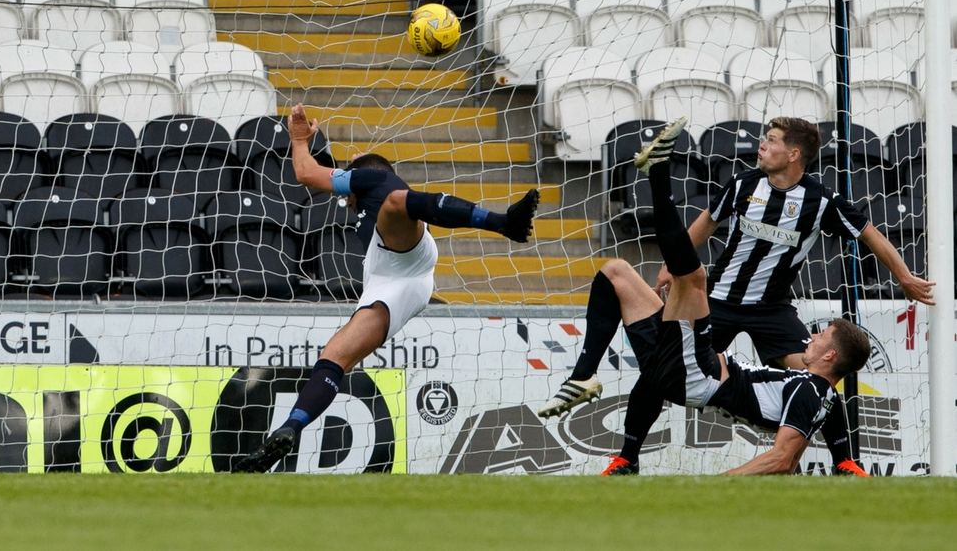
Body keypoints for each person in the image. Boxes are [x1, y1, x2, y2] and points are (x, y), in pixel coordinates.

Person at [539, 116, 933, 475]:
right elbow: (707, 222)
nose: (762, 145)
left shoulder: (820, 201)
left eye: (772, 140)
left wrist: (904, 277)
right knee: (660, 367)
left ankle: (845, 461)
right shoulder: (744, 184)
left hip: (771, 309)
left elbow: (869, 233)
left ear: (793, 154)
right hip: (720, 301)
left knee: (818, 374)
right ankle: (628, 457)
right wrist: (667, 267)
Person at [231, 103, 541, 473]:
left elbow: (305, 172)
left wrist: (299, 139)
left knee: (396, 203)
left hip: (406, 255)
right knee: (334, 356)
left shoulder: (375, 183)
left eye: (349, 179)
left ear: (357, 179)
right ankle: (289, 429)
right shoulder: (372, 187)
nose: (344, 196)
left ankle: (503, 222)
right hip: (390, 278)